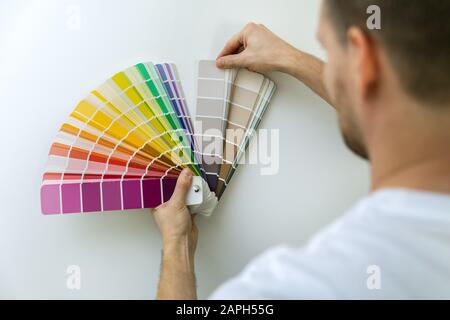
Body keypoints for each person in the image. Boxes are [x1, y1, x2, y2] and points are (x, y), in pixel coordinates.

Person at [153, 0, 450, 299]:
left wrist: (177, 245)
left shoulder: (305, 286)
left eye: (328, 50)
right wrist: (290, 58)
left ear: (363, 60)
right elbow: (399, 117)